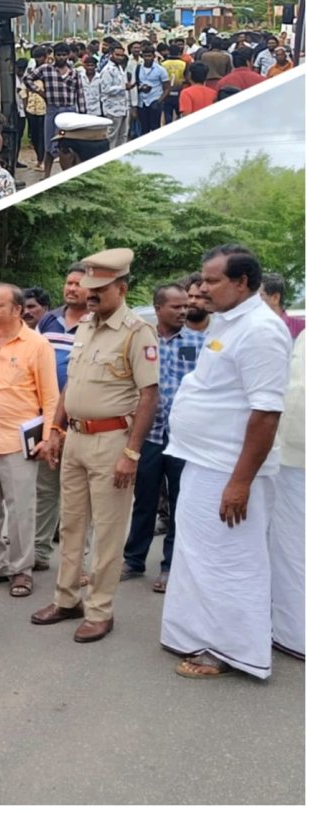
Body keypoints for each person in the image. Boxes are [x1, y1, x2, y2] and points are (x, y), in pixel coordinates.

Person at [161, 244, 292, 679]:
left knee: (231, 561)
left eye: (213, 280)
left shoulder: (260, 330)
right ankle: (195, 634)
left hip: (230, 470)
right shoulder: (229, 324)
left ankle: (233, 651)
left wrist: (240, 483)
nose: (202, 288)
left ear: (242, 282)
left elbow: (266, 412)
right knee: (198, 554)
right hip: (204, 461)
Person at [31, 249, 159, 642]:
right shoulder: (85, 327)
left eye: (99, 289)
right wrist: (54, 429)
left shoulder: (137, 332)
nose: (90, 295)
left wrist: (131, 453)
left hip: (112, 442)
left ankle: (101, 610)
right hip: (75, 439)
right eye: (87, 287)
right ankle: (68, 599)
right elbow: (72, 384)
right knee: (71, 525)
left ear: (121, 288)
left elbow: (149, 395)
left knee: (106, 531)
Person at [0, 283, 59, 598]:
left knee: (22, 508)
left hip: (20, 441)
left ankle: (21, 570)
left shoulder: (37, 345)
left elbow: (51, 398)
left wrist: (50, 437)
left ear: (17, 310)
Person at [120, 285, 205, 592]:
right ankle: (134, 559)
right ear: (158, 309)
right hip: (150, 434)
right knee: (144, 500)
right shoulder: (142, 342)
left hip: (184, 437)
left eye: (186, 306)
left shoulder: (200, 343)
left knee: (181, 501)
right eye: (176, 307)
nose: (184, 311)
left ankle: (171, 565)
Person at [34, 264, 89, 574]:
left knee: (79, 495)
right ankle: (39, 552)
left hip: (81, 418)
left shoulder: (96, 322)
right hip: (47, 418)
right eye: (68, 282)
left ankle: (78, 562)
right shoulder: (48, 320)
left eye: (78, 284)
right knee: (46, 488)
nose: (71, 288)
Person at [269, 331, 305, 660]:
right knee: (288, 549)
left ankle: (297, 634)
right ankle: (289, 630)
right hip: (291, 458)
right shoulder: (307, 336)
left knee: (297, 550)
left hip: (301, 460)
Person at [34, 42, 86, 179]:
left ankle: (70, 175)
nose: (61, 57)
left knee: (69, 144)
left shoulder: (75, 73)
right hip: (52, 109)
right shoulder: (46, 70)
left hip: (70, 111)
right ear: (54, 56)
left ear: (68, 55)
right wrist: (40, 92)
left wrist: (83, 115)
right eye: (58, 55)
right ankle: (46, 175)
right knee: (49, 144)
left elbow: (80, 95)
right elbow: (28, 79)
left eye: (64, 55)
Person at [98, 44, 131, 149]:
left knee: (123, 136)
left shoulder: (120, 68)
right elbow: (105, 90)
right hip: (113, 109)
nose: (120, 57)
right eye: (117, 55)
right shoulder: (107, 70)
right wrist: (122, 87)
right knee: (112, 137)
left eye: (121, 55)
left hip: (124, 108)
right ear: (111, 54)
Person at [134, 46, 170, 135]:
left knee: (155, 127)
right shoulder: (138, 68)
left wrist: (159, 101)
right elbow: (135, 85)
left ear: (154, 56)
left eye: (149, 56)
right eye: (145, 56)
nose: (147, 58)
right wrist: (141, 88)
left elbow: (167, 88)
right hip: (142, 102)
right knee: (143, 128)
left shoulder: (161, 70)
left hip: (155, 101)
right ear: (142, 56)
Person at [259, 272, 305, 339]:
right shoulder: (251, 328)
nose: (254, 300)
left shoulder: (302, 329)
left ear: (275, 297)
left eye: (260, 295)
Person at [23, 47, 48, 166]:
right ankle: (39, 156)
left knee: (42, 135)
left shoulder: (49, 71)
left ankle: (41, 159)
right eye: (37, 57)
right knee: (33, 135)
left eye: (41, 57)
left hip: (44, 108)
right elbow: (24, 87)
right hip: (31, 107)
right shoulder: (30, 71)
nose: (39, 59)